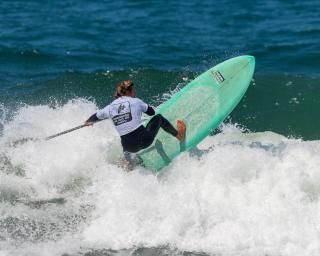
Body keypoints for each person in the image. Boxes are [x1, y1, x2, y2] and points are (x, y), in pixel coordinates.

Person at [85, 80, 186, 168]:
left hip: (129, 147)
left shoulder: (109, 108)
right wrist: (140, 107)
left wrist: (88, 122)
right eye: (133, 90)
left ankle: (133, 166)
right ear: (128, 92)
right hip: (144, 140)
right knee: (159, 118)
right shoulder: (135, 101)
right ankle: (179, 135)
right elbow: (152, 112)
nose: (135, 92)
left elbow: (95, 117)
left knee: (132, 160)